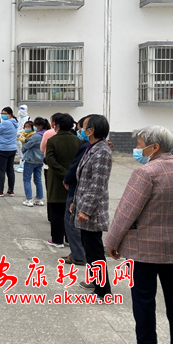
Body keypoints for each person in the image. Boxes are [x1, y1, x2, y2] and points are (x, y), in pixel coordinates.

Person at [105, 126, 173, 344]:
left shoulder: (146, 173)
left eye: (139, 144)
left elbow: (126, 211)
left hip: (144, 251)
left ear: (154, 147)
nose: (137, 149)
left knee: (144, 302)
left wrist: (111, 242)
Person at [70, 114, 113, 301]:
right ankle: (95, 280)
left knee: (95, 250)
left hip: (93, 211)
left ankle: (103, 291)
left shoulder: (102, 151)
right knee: (89, 249)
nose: (81, 129)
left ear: (92, 130)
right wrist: (76, 202)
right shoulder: (92, 147)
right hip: (85, 204)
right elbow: (84, 181)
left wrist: (85, 209)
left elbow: (97, 184)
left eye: (84, 126)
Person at [45, 113, 80, 248]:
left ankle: (57, 239)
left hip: (56, 179)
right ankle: (69, 238)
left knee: (56, 210)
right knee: (70, 208)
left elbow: (50, 160)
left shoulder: (52, 141)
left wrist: (64, 174)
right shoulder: (78, 141)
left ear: (57, 126)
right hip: (74, 178)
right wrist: (70, 175)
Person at [60, 116, 90, 266]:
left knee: (71, 221)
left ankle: (78, 254)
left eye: (81, 128)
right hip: (82, 188)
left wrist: (67, 179)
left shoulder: (86, 146)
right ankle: (81, 252)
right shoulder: (94, 146)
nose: (79, 131)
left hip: (78, 188)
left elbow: (76, 166)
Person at [0, 107, 18, 196]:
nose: (3, 115)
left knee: (1, 170)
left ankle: (0, 189)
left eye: (5, 113)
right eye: (2, 113)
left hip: (2, 148)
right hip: (12, 148)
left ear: (10, 114)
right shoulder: (15, 123)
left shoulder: (5, 123)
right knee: (10, 170)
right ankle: (11, 189)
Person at [20, 117, 46, 207]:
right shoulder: (45, 134)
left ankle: (29, 199)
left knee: (27, 179)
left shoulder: (36, 136)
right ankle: (39, 198)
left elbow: (26, 146)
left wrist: (23, 150)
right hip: (40, 159)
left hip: (30, 159)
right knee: (38, 179)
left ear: (39, 126)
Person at [15, 104, 30, 173]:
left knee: (23, 152)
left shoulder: (27, 118)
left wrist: (19, 133)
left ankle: (24, 166)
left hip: (23, 138)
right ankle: (21, 165)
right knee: (19, 152)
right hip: (17, 137)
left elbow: (25, 129)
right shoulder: (19, 118)